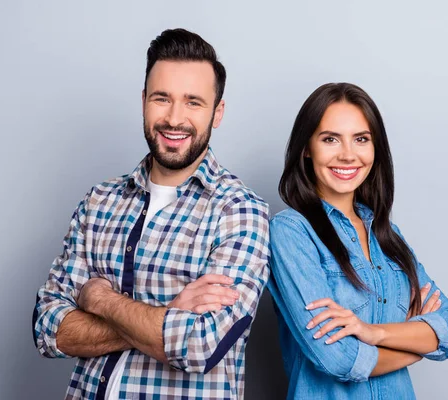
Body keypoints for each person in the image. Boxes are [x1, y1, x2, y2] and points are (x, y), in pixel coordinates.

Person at [32, 28, 270, 400]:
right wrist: (167, 314)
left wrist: (101, 302)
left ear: (217, 112)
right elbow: (49, 329)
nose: (174, 119)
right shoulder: (99, 202)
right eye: (162, 98)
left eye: (194, 102)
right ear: (144, 100)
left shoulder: (239, 211)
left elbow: (199, 346)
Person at [268, 82, 448, 399]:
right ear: (307, 148)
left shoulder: (388, 237)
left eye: (361, 139)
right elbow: (338, 358)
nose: (348, 155)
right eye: (330, 139)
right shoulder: (291, 232)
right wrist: (413, 347)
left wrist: (374, 332)